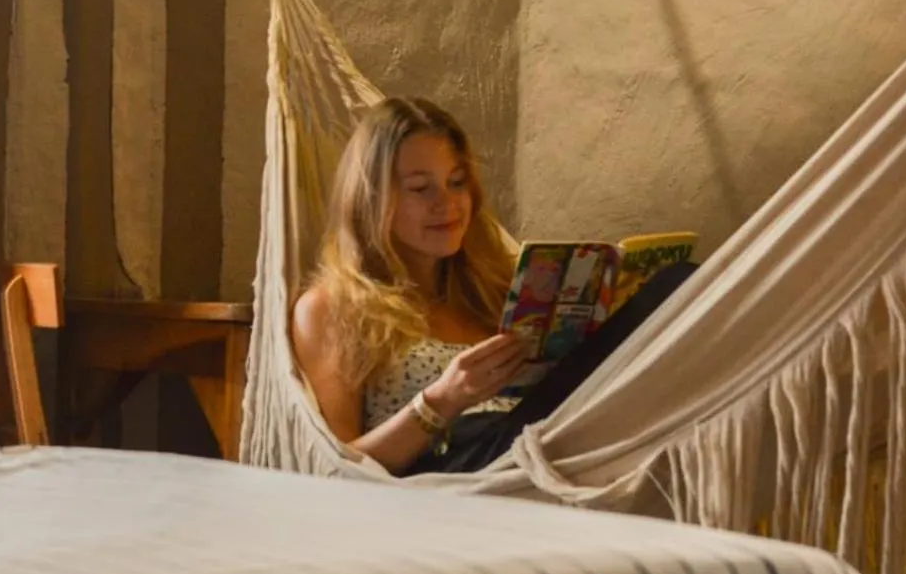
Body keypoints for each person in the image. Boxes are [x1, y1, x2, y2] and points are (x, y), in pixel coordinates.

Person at [290, 97, 695, 476]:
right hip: (458, 470)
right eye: (420, 187)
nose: (446, 203)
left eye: (457, 182)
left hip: (540, 440)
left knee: (679, 285)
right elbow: (336, 465)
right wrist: (442, 400)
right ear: (372, 197)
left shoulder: (499, 290)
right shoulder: (331, 308)